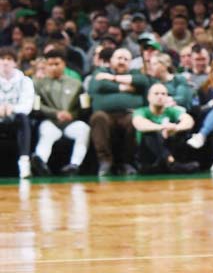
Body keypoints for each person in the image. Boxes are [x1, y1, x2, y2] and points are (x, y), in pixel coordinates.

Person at [88, 47, 150, 176]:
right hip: (106, 114)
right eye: (119, 58)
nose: (122, 61)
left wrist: (112, 78)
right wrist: (123, 87)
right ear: (111, 60)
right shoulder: (100, 71)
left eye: (126, 59)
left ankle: (127, 163)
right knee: (98, 117)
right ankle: (105, 162)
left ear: (130, 62)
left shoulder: (136, 73)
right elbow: (98, 85)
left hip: (128, 114)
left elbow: (143, 82)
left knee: (135, 119)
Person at [31, 47, 88, 176]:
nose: (53, 67)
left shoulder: (77, 84)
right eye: (50, 64)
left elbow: (84, 108)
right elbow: (36, 106)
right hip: (49, 121)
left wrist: (72, 115)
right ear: (45, 65)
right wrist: (55, 113)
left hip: (71, 122)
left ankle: (75, 165)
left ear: (64, 64)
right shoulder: (37, 84)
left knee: (84, 129)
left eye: (57, 64)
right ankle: (40, 163)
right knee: (48, 133)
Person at [131, 83, 198, 174]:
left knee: (183, 128)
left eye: (163, 94)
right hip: (148, 156)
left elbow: (189, 121)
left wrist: (175, 128)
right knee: (150, 133)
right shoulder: (141, 111)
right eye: (156, 94)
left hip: (168, 147)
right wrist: (162, 128)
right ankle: (171, 163)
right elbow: (139, 124)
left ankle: (172, 162)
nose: (160, 96)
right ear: (148, 97)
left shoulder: (171, 111)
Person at [0, 46, 35, 178]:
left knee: (24, 119)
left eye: (9, 59)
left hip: (15, 119)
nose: (5, 62)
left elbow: (27, 106)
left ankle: (24, 163)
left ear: (15, 62)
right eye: (2, 59)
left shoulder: (25, 81)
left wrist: (12, 108)